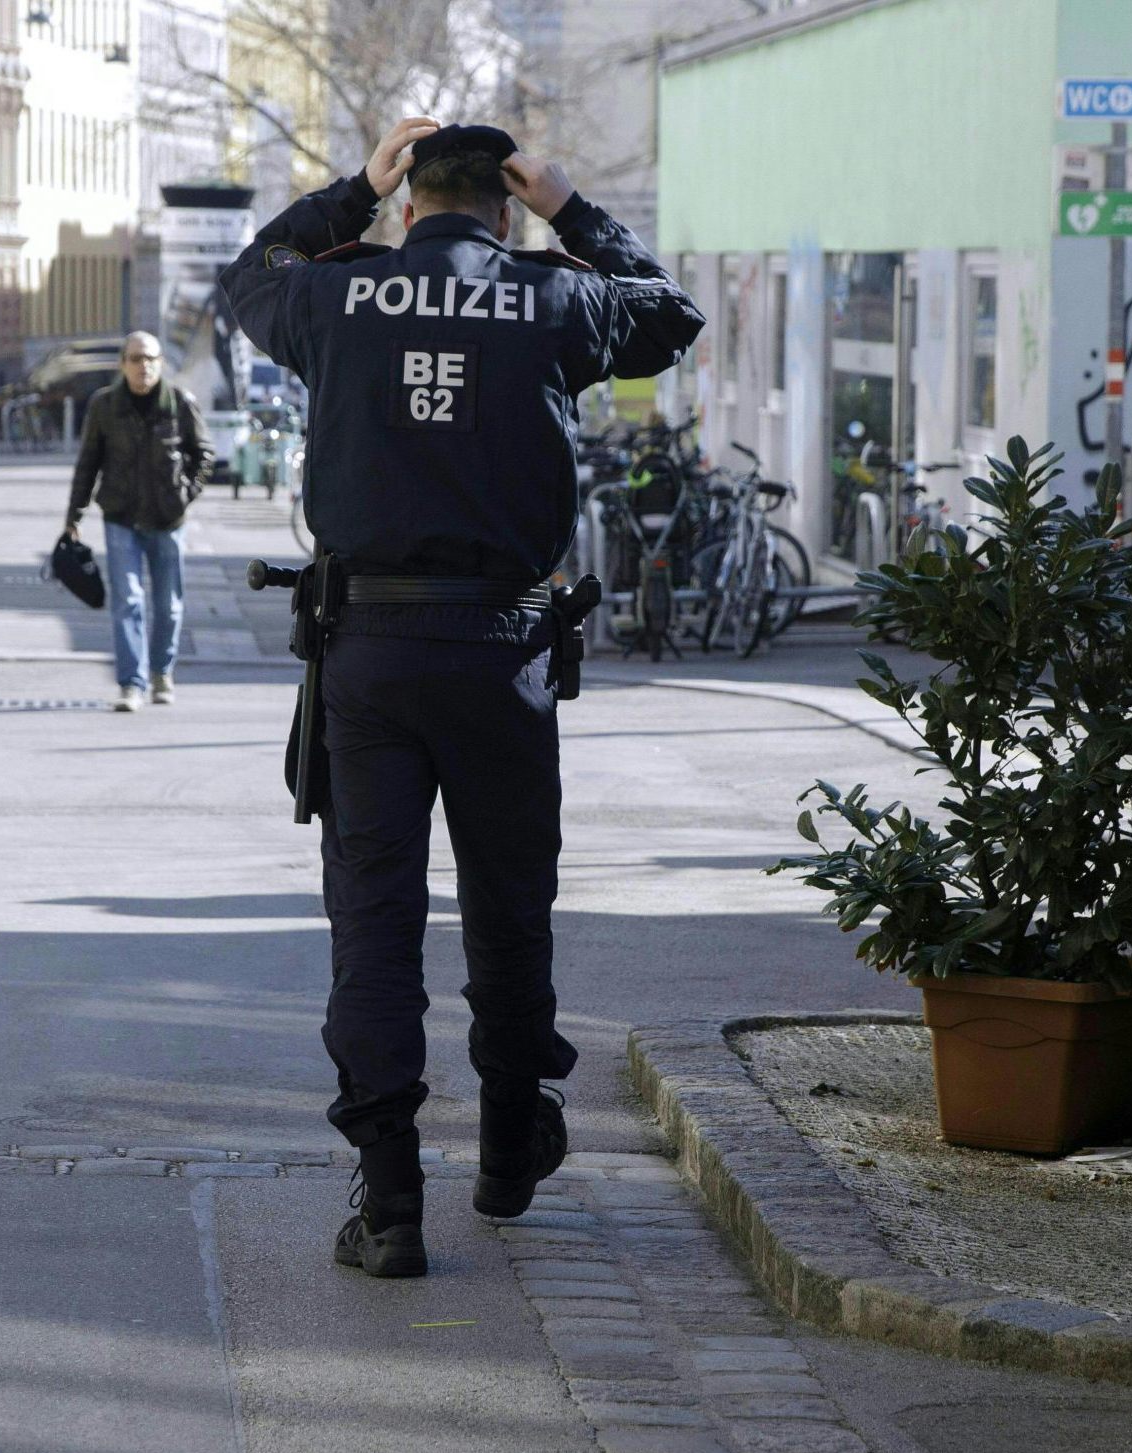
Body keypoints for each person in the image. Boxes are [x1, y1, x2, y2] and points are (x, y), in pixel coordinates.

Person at [221, 117, 703, 1278]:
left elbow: (244, 281)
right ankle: (504, 1151)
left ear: (406, 204)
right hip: (502, 649)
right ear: (504, 206)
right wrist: (572, 211)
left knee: (374, 924)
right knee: (508, 909)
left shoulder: (338, 296)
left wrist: (346, 194)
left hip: (369, 652)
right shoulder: (552, 297)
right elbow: (669, 316)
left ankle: (390, 1203)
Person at [64, 332, 213, 711]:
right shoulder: (105, 405)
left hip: (168, 519)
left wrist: (185, 494)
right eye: (135, 358)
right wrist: (74, 515)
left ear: (160, 362)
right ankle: (132, 683)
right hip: (121, 517)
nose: (143, 365)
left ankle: (162, 673)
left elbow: (203, 454)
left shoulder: (179, 402)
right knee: (127, 601)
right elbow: (88, 463)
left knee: (168, 605)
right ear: (123, 364)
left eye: (150, 358)